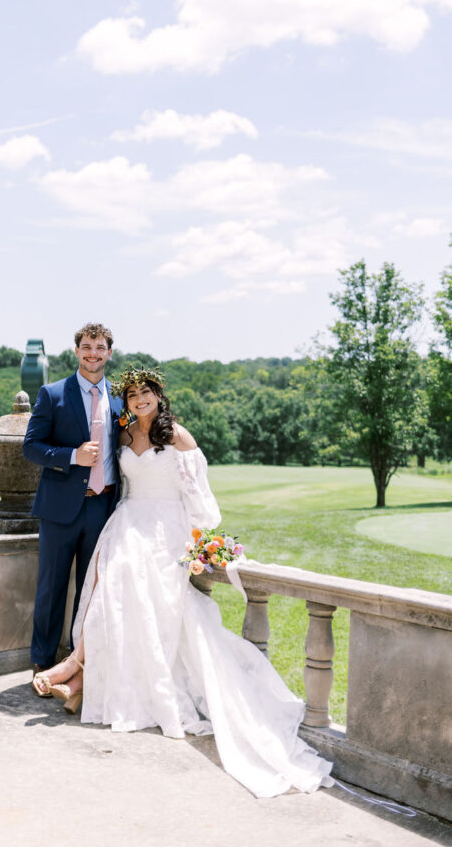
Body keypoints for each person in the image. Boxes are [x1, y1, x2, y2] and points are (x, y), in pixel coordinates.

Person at [32, 365, 334, 799]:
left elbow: (200, 499)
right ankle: (80, 683)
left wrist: (201, 545)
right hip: (127, 521)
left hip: (165, 529)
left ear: (158, 395)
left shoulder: (178, 437)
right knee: (109, 596)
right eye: (133, 395)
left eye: (146, 393)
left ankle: (71, 671)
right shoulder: (121, 435)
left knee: (131, 593)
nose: (139, 401)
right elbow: (116, 484)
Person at [23, 322, 123, 681]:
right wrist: (71, 456)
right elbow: (30, 447)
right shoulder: (53, 394)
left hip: (104, 506)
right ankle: (42, 661)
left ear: (109, 353)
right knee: (51, 586)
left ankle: (79, 665)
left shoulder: (120, 396)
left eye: (100, 347)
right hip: (60, 507)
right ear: (76, 351)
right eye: (86, 346)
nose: (93, 353)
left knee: (91, 590)